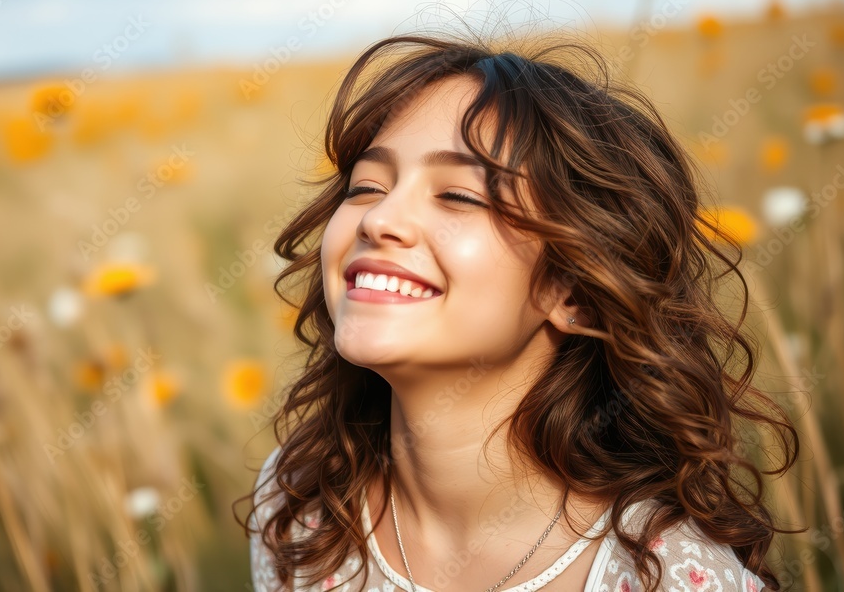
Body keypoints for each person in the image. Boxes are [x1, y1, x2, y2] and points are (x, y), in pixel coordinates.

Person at [237, 30, 798, 591]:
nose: (379, 220)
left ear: (572, 292)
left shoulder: (667, 575)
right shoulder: (299, 510)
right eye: (366, 186)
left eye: (458, 196)